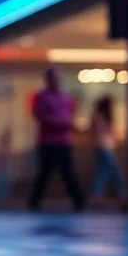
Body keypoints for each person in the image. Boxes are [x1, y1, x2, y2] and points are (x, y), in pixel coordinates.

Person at [28, 67, 85, 211]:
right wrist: (57, 124)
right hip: (47, 142)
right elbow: (40, 116)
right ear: (47, 80)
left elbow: (70, 114)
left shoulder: (66, 97)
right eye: (53, 78)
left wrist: (68, 125)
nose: (55, 81)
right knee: (44, 173)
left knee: (67, 172)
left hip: (63, 142)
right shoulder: (41, 97)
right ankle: (35, 201)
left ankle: (79, 201)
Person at [90, 96, 124, 203]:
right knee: (112, 172)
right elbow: (114, 132)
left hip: (99, 147)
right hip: (107, 147)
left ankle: (97, 195)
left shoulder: (96, 117)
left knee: (104, 172)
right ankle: (121, 194)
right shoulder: (106, 118)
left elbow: (93, 132)